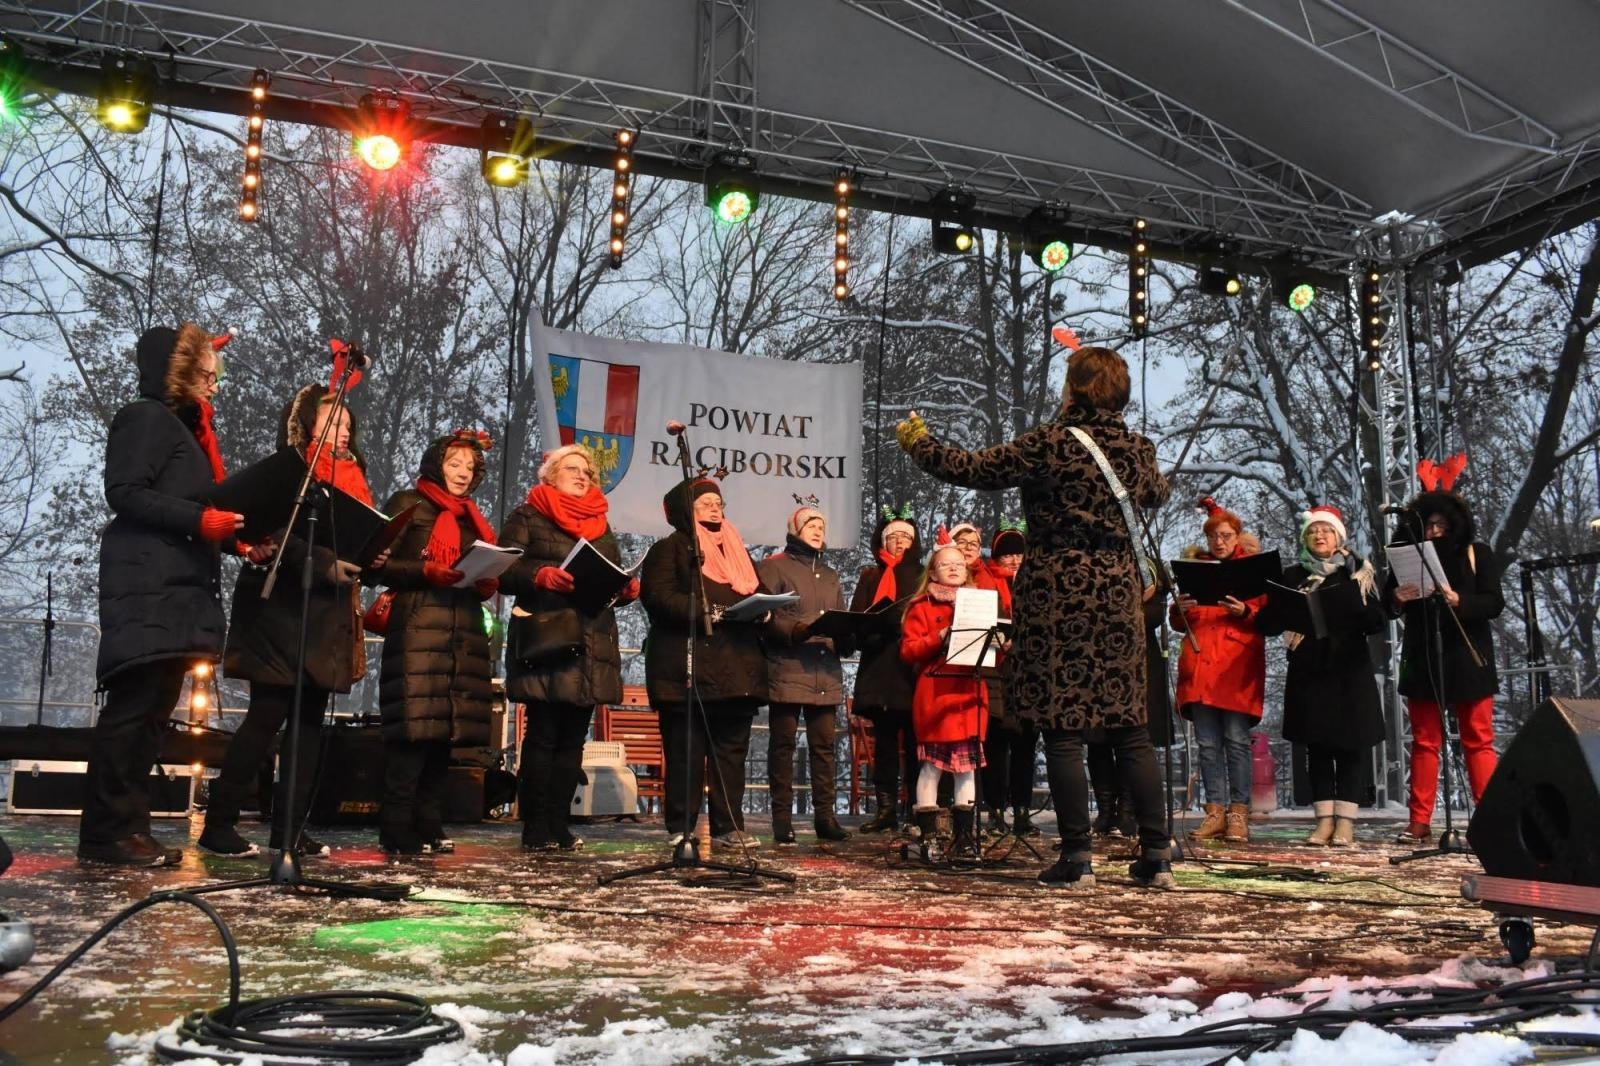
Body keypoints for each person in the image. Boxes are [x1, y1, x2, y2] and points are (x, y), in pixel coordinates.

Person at [898, 345, 1173, 889]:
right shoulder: (1137, 448)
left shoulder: (1050, 443)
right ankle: (1157, 854)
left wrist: (920, 443)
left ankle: (1077, 858)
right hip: (1118, 595)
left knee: (1064, 729)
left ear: (1077, 389)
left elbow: (972, 468)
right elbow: (1157, 495)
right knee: (1130, 730)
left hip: (1057, 595)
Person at [82, 324, 240, 866]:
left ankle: (129, 827)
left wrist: (239, 536)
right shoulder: (146, 418)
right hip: (148, 585)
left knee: (151, 713)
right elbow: (125, 492)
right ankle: (108, 832)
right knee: (134, 710)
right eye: (204, 376)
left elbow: (186, 504)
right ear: (178, 373)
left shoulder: (182, 431)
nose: (214, 387)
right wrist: (202, 519)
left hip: (175, 588)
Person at [202, 377, 377, 858]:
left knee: (308, 724)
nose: (343, 431)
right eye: (333, 422)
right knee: (266, 716)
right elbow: (273, 534)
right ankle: (219, 824)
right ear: (306, 425)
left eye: (347, 424)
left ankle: (290, 830)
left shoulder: (354, 480)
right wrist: (325, 564)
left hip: (326, 615)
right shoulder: (292, 474)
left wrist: (373, 555)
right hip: (280, 607)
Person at [498, 444, 636, 852]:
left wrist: (625, 589)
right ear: (550, 475)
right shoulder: (529, 515)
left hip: (593, 641)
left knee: (573, 740)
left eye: (587, 472)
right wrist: (538, 575)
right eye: (572, 469)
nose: (581, 476)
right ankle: (535, 826)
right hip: (550, 640)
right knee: (543, 735)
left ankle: (559, 824)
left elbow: (610, 574)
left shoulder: (600, 523)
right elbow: (505, 567)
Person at [371, 432, 498, 855]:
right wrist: (424, 572)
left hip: (462, 631)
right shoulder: (408, 503)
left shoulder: (471, 518)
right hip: (417, 625)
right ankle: (395, 825)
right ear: (436, 463)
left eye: (470, 467)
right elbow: (378, 565)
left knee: (444, 734)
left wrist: (486, 577)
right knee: (412, 734)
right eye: (455, 464)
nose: (463, 473)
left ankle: (429, 822)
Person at [639, 477, 768, 850]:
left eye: (718, 502)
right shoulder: (671, 548)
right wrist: (710, 611)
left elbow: (754, 592)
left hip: (737, 668)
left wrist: (764, 611)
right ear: (686, 510)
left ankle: (729, 827)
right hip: (687, 669)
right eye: (705, 503)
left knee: (730, 754)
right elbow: (659, 597)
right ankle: (681, 826)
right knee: (686, 753)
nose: (715, 507)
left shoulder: (737, 550)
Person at [1385, 472, 1504, 845]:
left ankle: (1486, 818)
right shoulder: (1408, 555)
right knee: (1424, 742)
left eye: (1440, 524)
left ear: (1454, 524)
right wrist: (1397, 600)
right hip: (1424, 656)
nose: (1434, 531)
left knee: (1478, 740)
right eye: (1428, 524)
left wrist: (1459, 601)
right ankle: (1418, 821)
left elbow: (1494, 602)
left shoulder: (1476, 553)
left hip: (1468, 655)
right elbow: (1386, 604)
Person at [1256, 505, 1385, 846]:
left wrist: (1354, 604)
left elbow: (1377, 620)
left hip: (1349, 670)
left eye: (1326, 530)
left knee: (1349, 748)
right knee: (1318, 750)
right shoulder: (1292, 575)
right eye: (1313, 531)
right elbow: (1268, 624)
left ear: (1339, 537)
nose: (1319, 536)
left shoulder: (1358, 572)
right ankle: (1323, 819)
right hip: (1310, 671)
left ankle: (1346, 821)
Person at [1170, 497, 1267, 844]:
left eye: (1226, 535)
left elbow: (1267, 618)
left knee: (1237, 742)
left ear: (1237, 537)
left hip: (1236, 671)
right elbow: (1181, 622)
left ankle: (1238, 813)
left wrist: (1245, 611)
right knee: (1208, 745)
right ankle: (1214, 812)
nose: (1220, 542)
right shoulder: (1196, 571)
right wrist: (1178, 609)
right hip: (1201, 668)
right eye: (1214, 537)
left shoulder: (1253, 572)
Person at [757, 504, 851, 845]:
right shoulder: (773, 567)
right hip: (787, 668)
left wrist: (851, 634)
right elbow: (763, 615)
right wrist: (793, 629)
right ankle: (781, 819)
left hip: (825, 671)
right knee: (782, 746)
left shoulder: (830, 575)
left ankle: (825, 817)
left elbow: (840, 615)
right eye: (810, 523)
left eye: (821, 525)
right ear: (794, 528)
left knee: (824, 747)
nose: (817, 529)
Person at [899, 538, 989, 861]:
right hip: (936, 696)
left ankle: (964, 837)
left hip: (968, 696)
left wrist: (1000, 644)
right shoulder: (921, 607)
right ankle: (928, 836)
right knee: (932, 767)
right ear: (933, 572)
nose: (954, 568)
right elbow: (908, 651)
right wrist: (936, 638)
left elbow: (991, 656)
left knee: (966, 770)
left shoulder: (980, 603)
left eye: (959, 564)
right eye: (946, 564)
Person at [848, 509, 923, 834]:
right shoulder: (870, 576)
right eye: (894, 537)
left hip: (914, 670)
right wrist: (871, 628)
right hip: (880, 669)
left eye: (906, 537)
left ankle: (918, 808)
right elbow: (855, 620)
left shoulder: (923, 574)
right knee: (886, 744)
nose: (900, 542)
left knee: (918, 743)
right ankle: (886, 809)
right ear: (883, 541)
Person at [978, 523, 1037, 837]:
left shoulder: (1035, 585)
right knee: (996, 744)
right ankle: (995, 809)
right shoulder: (984, 583)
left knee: (1026, 745)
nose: (1014, 560)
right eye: (1007, 555)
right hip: (997, 674)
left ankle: (1023, 811)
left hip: (1028, 675)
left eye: (1019, 554)